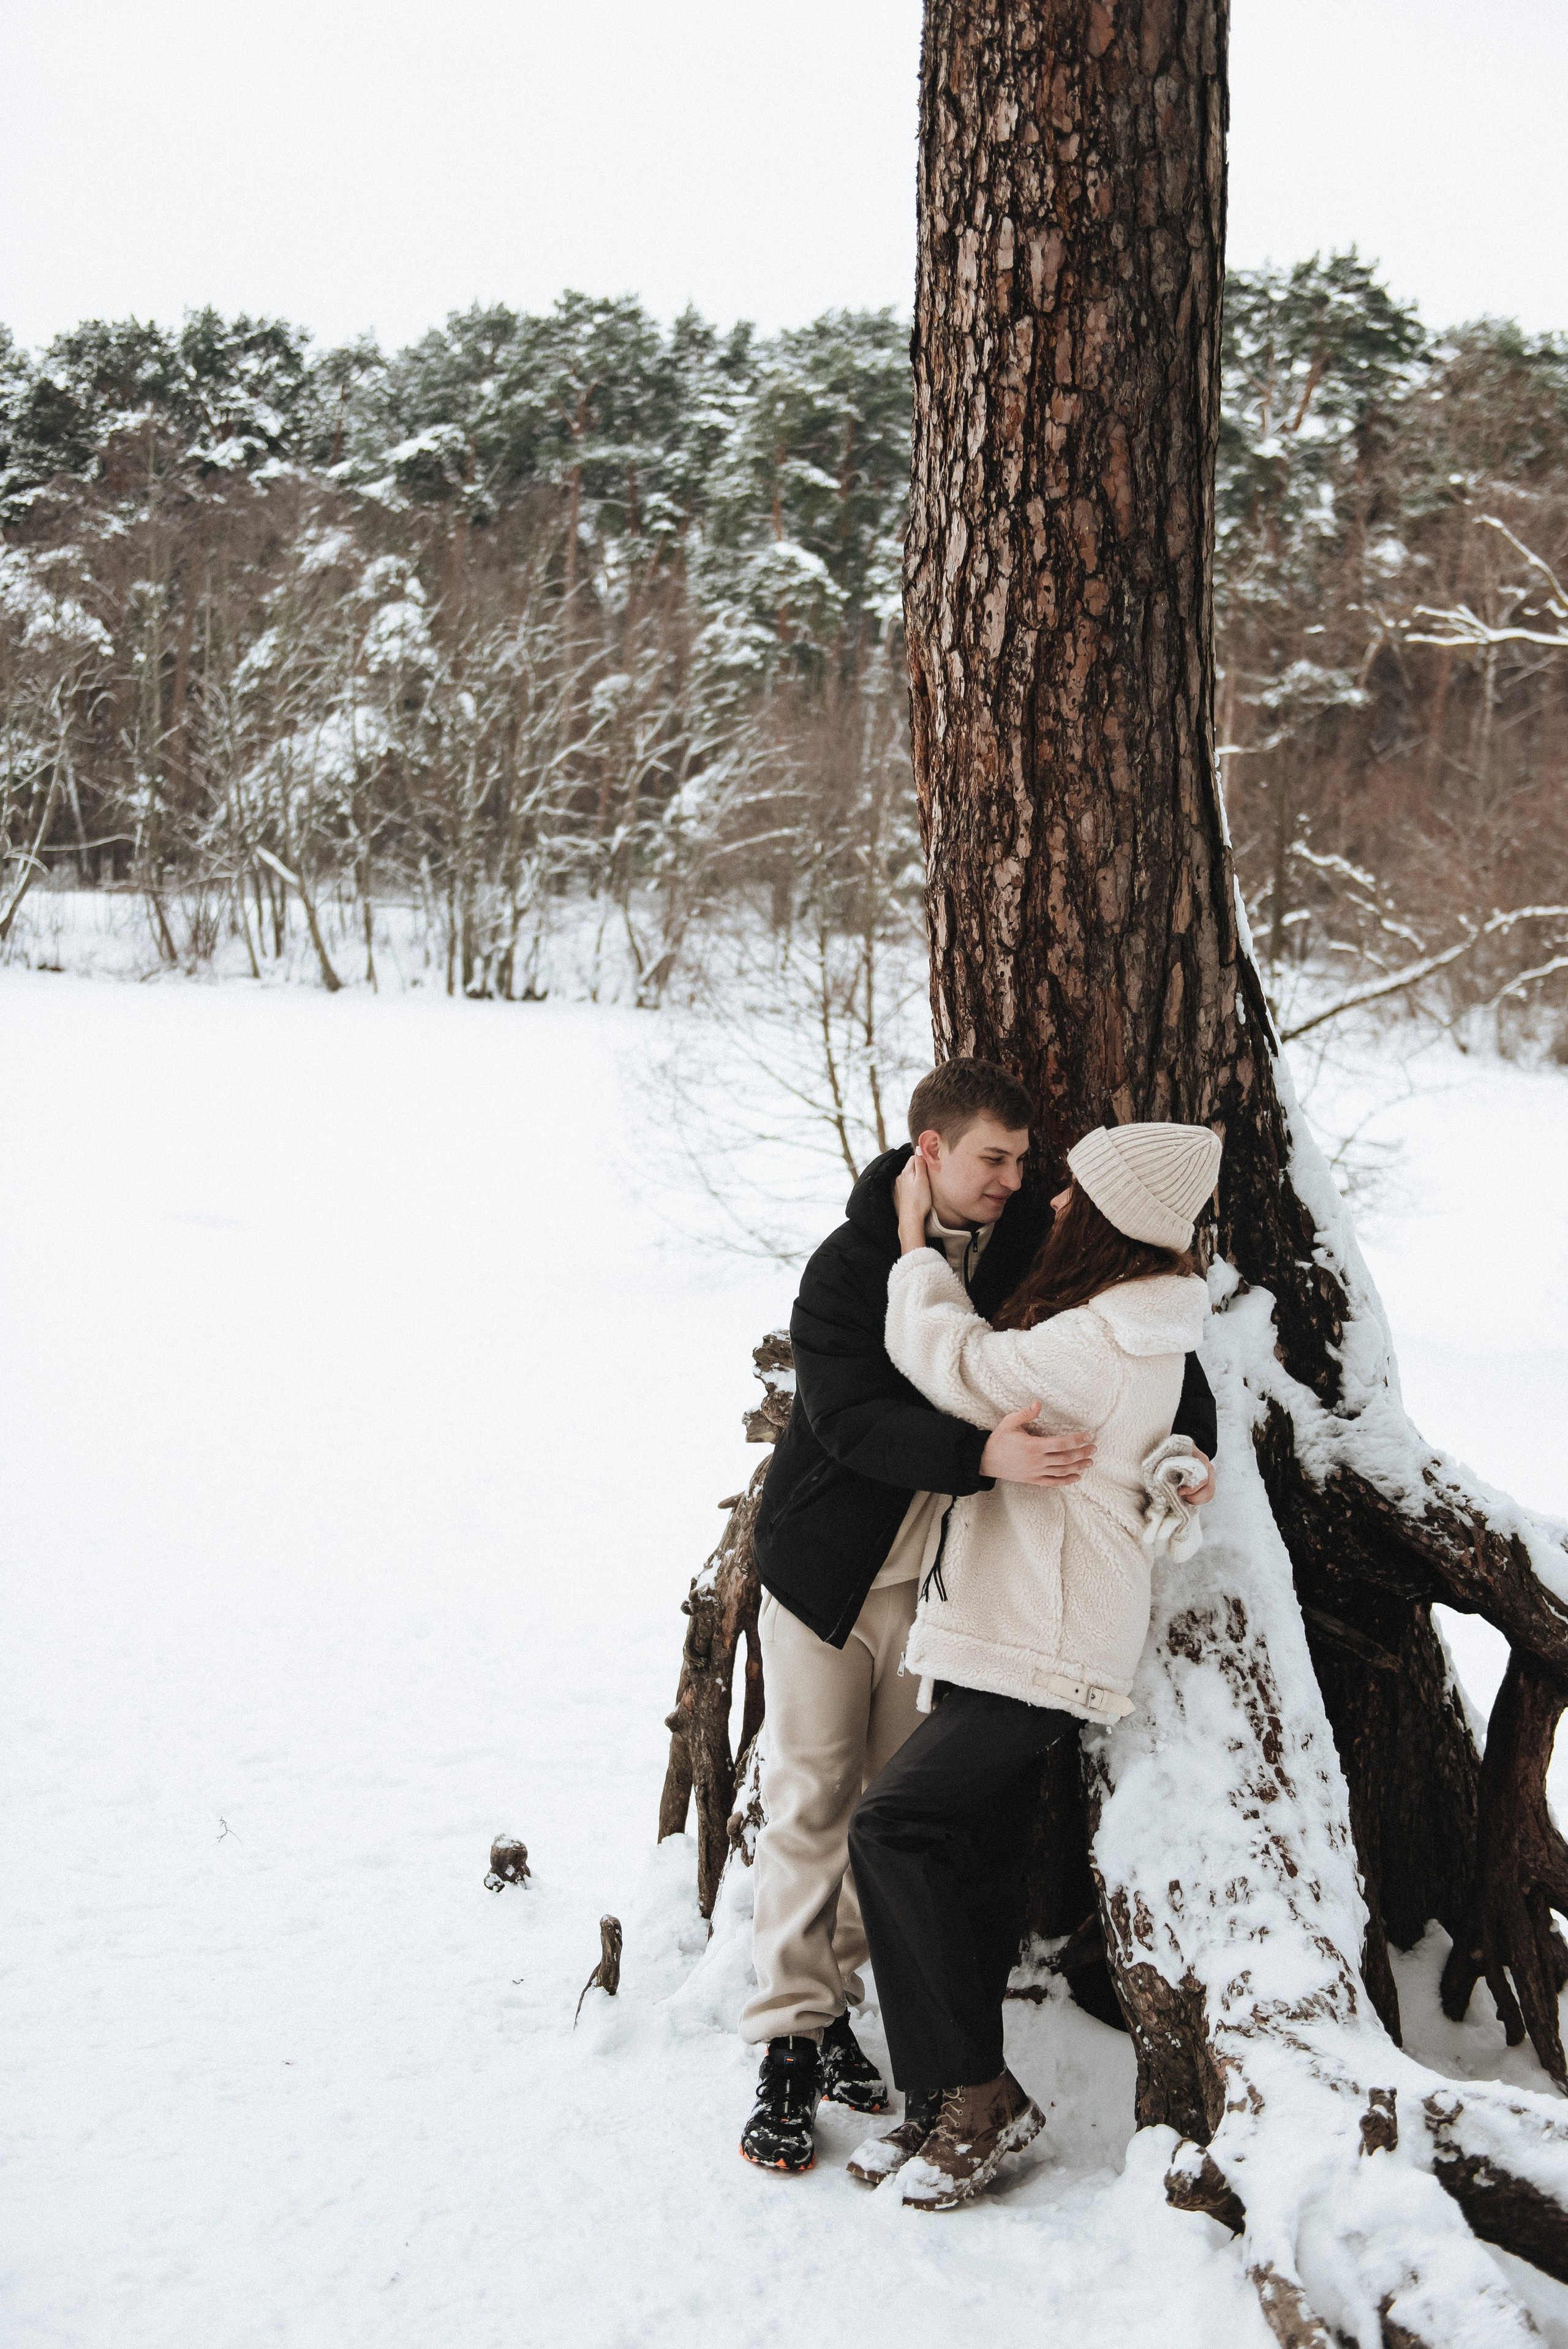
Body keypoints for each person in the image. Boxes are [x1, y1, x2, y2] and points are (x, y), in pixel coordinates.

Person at [736, 1063, 1219, 2173]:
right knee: (813, 1800)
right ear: (929, 1152)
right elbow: (850, 1417)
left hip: (944, 1593)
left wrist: (1184, 1451)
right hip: (830, 1577)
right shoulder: (854, 1262)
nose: (1015, 1179)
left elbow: (1145, 1353)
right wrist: (980, 1453)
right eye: (992, 1159)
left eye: (1022, 1158)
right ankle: (790, 2046)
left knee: (893, 1818)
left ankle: (848, 2014)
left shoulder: (1032, 1254)